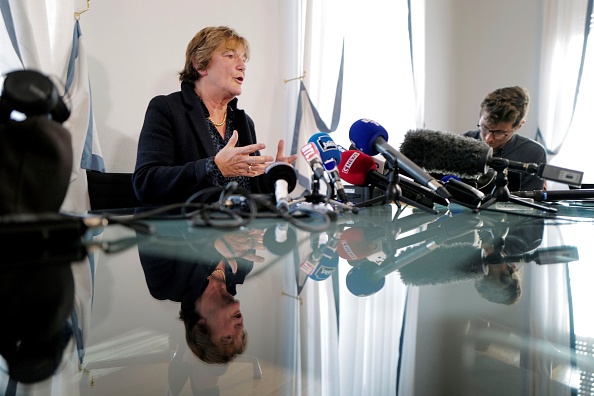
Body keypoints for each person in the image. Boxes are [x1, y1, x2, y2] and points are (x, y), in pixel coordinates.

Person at [133, 26, 298, 204]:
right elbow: (146, 183)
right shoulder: (167, 109)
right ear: (200, 64)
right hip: (189, 228)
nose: (242, 66)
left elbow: (250, 190)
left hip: (242, 228)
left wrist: (275, 177)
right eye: (230, 56)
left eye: (243, 59)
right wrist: (213, 167)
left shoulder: (243, 122)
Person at [464, 86, 547, 192]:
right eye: (484, 127)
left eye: (499, 132)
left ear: (519, 126)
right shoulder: (461, 143)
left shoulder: (533, 153)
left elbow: (530, 205)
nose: (488, 139)